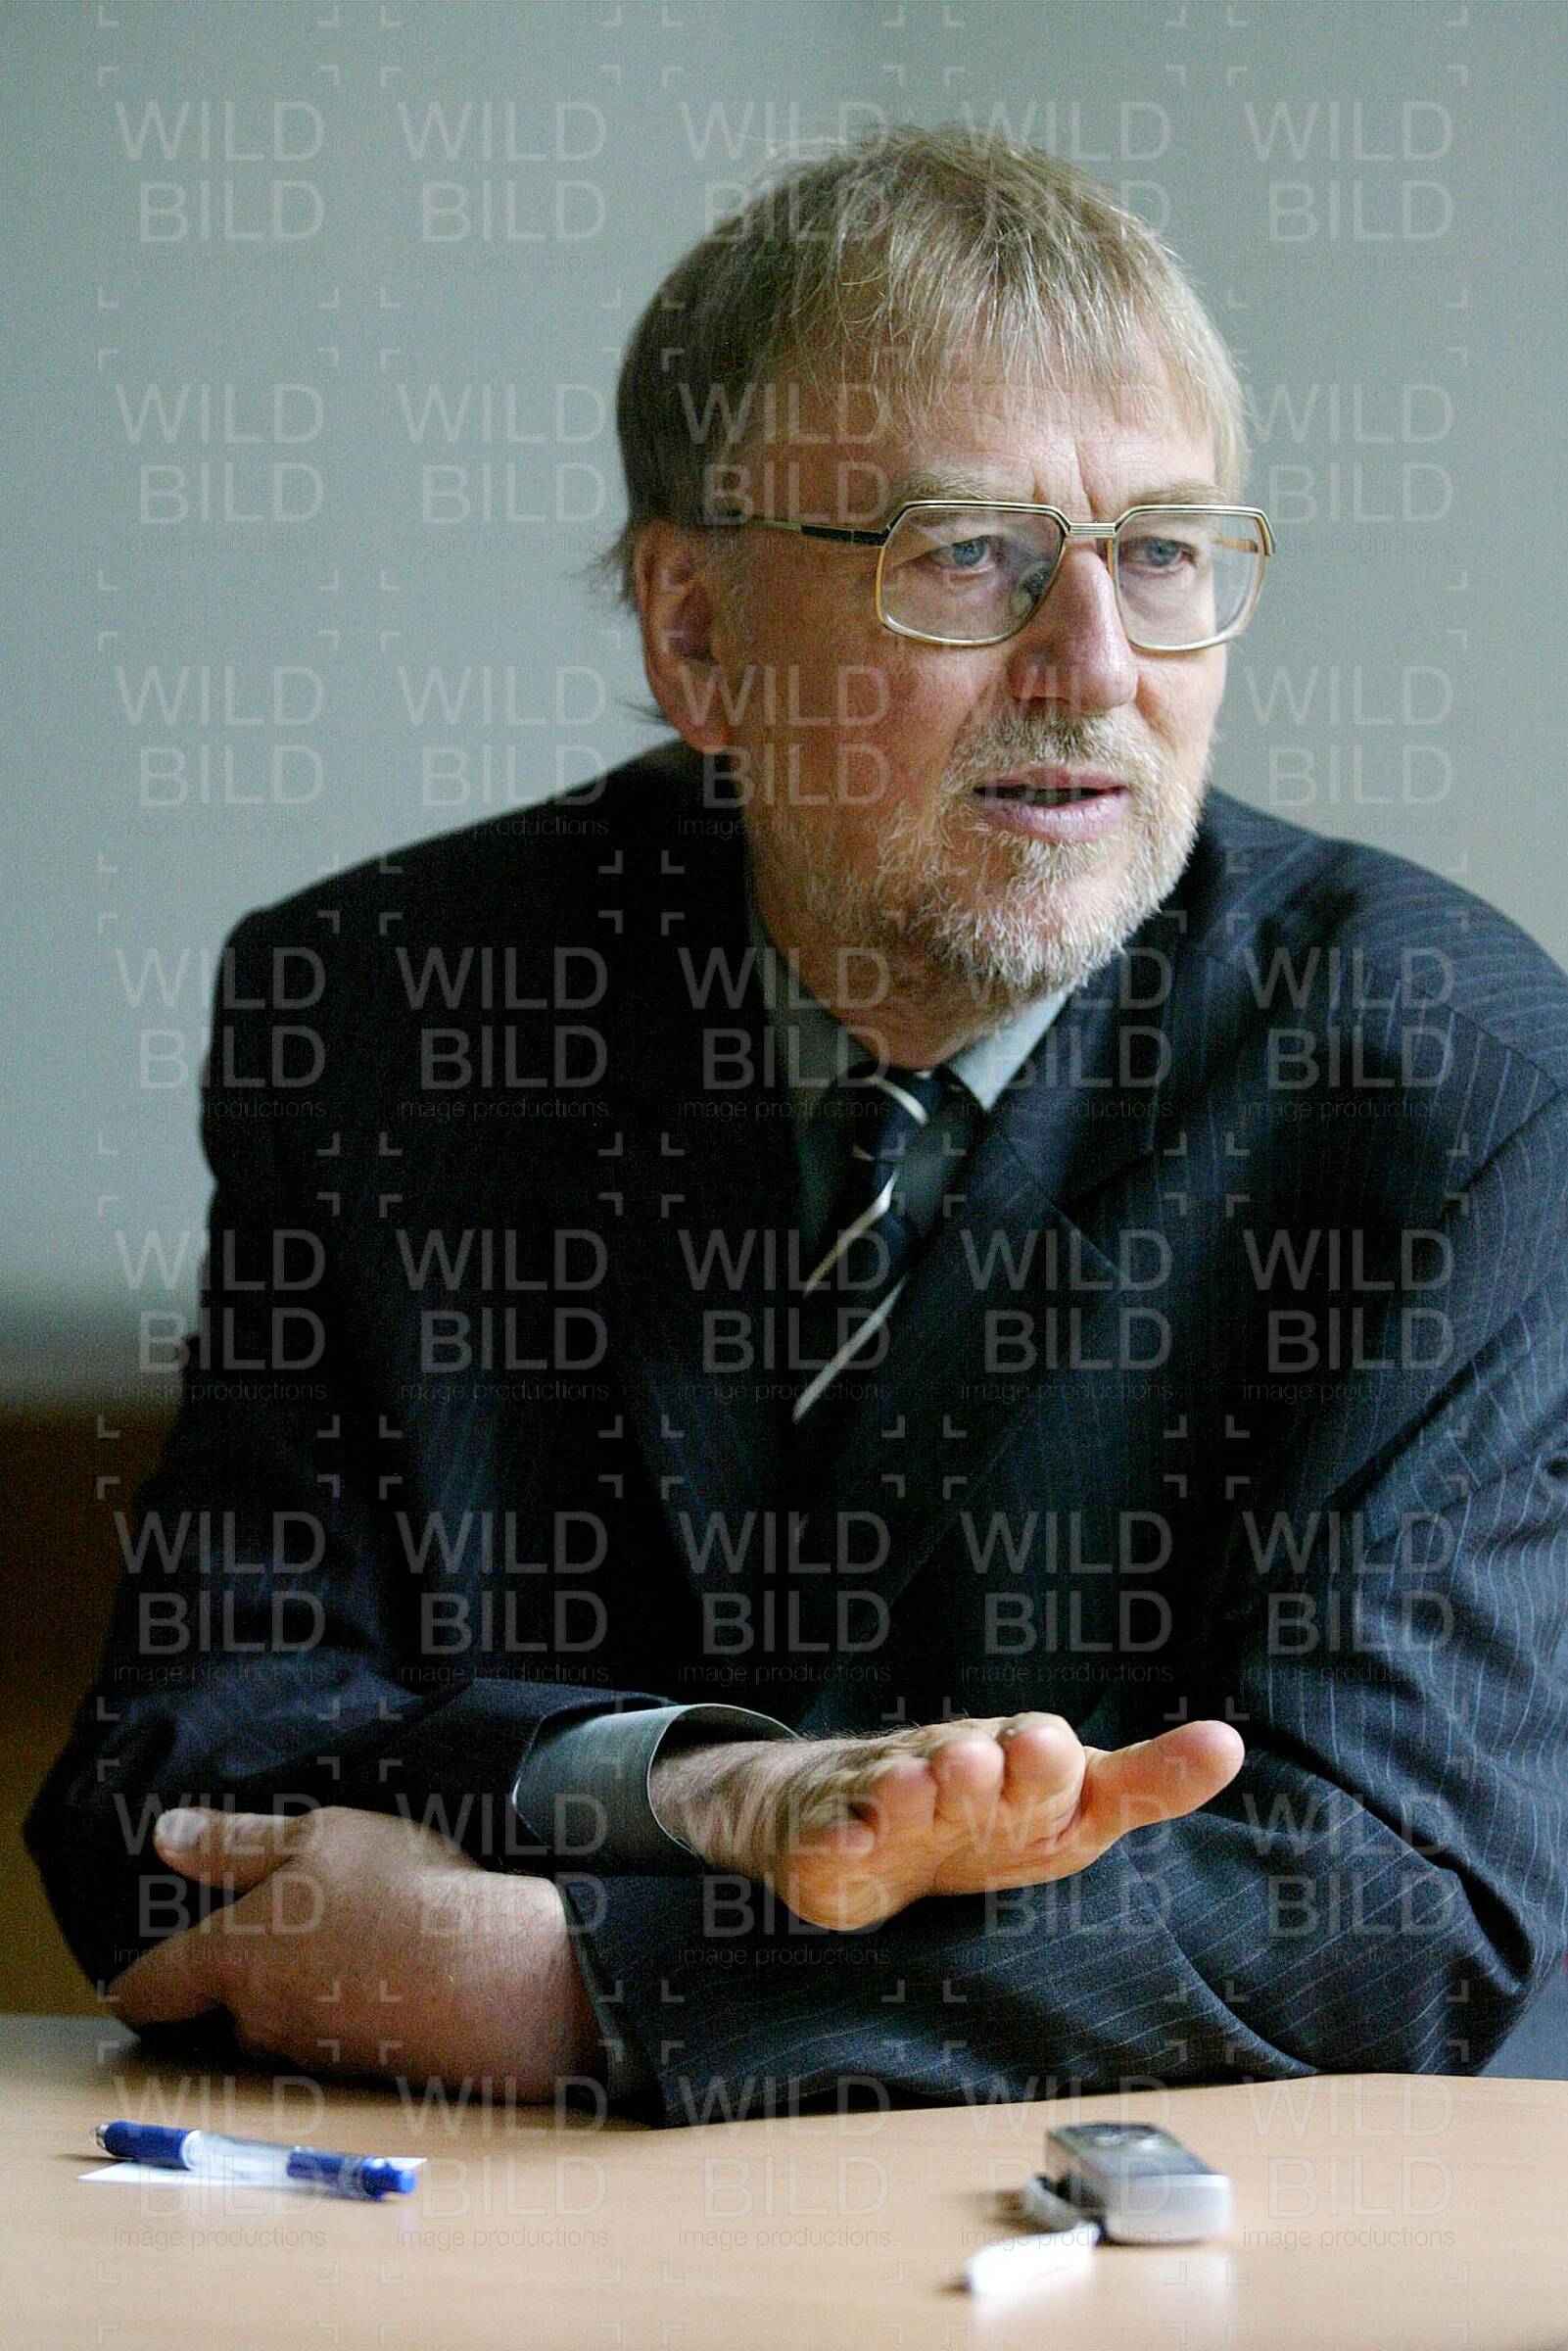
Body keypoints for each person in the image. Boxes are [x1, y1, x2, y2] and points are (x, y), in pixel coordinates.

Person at [26, 125, 1568, 2122]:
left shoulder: (1453, 1080)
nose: (1095, 667)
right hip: (494, 2248)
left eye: (1163, 551)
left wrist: (588, 1986)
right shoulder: (396, 1012)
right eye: (968, 555)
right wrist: (700, 1785)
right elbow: (175, 1783)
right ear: (696, 636)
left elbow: (1390, 1898)